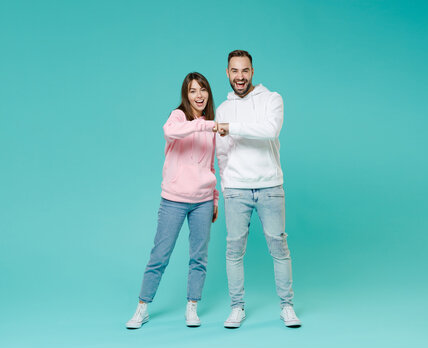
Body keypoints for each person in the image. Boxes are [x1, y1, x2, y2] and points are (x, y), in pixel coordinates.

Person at [215, 50, 301, 328]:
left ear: (252, 72)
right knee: (234, 251)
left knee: (279, 246)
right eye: (234, 71)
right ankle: (236, 307)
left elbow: (269, 130)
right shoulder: (223, 109)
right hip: (237, 190)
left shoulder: (272, 99)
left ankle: (287, 306)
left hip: (270, 187)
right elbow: (223, 152)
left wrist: (231, 127)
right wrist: (226, 186)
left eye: (245, 71)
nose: (240, 77)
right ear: (227, 73)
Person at [126, 72, 219, 329]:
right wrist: (205, 124)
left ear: (208, 93)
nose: (199, 95)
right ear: (185, 95)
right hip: (174, 200)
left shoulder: (211, 126)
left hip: (202, 201)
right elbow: (170, 132)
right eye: (193, 91)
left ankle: (192, 307)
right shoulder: (178, 117)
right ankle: (142, 308)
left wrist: (214, 198)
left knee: (199, 257)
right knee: (160, 255)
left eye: (203, 90)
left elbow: (211, 165)